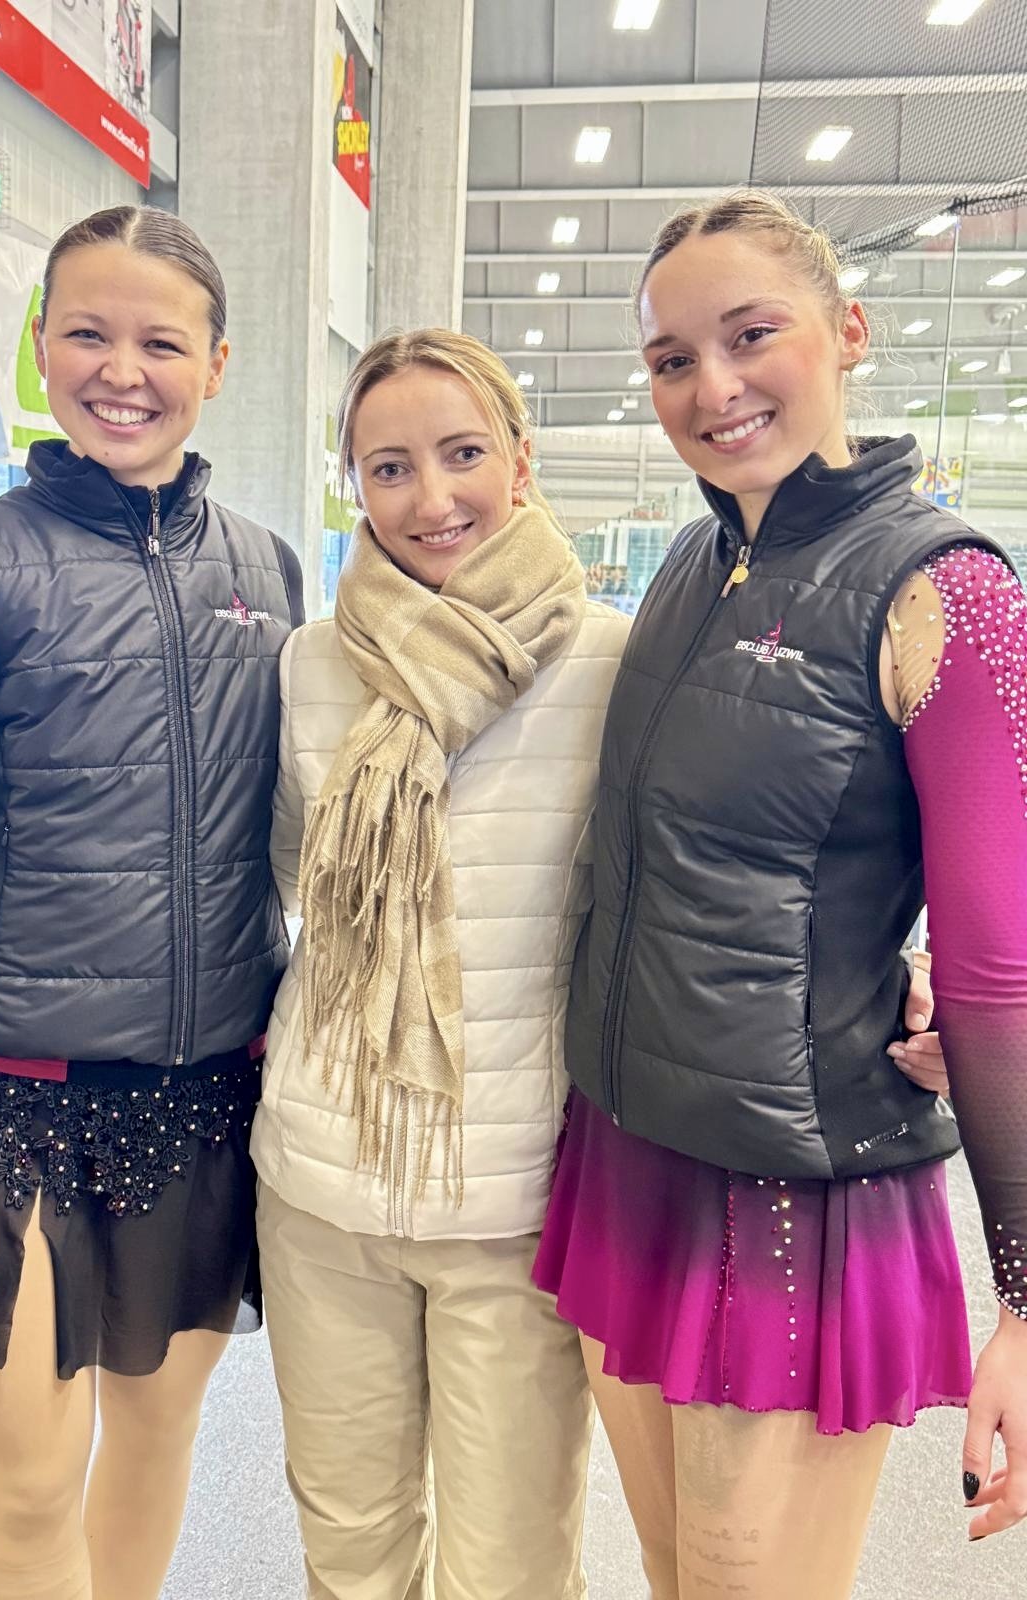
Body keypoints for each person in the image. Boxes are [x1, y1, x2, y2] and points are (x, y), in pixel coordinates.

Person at [535, 191, 1027, 1599]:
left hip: (792, 1197)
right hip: (629, 1150)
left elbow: (1003, 968)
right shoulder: (689, 563)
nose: (715, 386)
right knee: (673, 1571)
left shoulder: (954, 591)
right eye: (673, 358)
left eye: (753, 335)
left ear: (847, 333)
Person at [0, 204, 302, 1600]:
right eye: (88, 334)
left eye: (161, 341)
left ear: (217, 362)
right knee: (36, 1475)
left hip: (205, 1099)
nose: (123, 369)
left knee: (159, 1439)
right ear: (40, 344)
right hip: (15, 1113)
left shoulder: (267, 570)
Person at [249, 328, 629, 1599]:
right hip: (319, 1187)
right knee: (349, 1547)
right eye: (391, 467)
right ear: (356, 485)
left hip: (513, 1198)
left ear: (520, 462)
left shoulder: (610, 664)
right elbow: (287, 886)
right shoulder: (311, 664)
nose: (432, 497)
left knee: (509, 1565)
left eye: (463, 453)